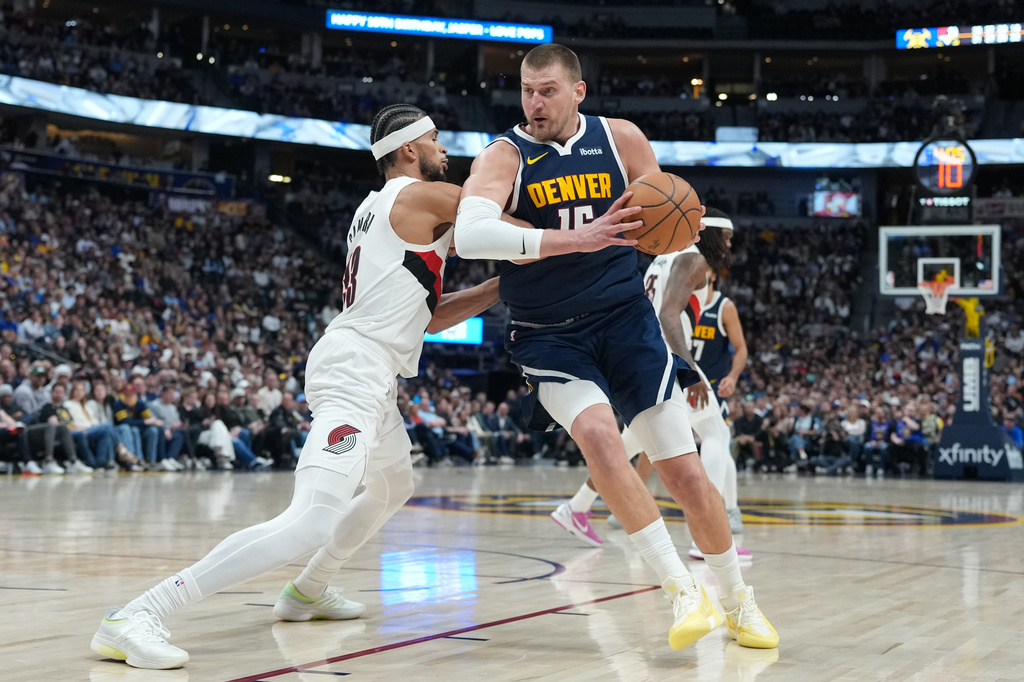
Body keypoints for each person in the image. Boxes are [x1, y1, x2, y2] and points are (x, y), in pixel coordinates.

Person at [91, 103, 504, 669]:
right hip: (355, 369)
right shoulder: (418, 195)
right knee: (312, 518)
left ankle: (309, 589)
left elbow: (428, 317)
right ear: (409, 148)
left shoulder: (379, 209)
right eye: (435, 138)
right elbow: (492, 213)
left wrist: (498, 288)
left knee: (393, 485)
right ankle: (139, 613)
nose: (444, 148)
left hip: (370, 368)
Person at [454, 44, 777, 650]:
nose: (534, 102)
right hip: (549, 333)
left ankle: (738, 601)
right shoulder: (505, 155)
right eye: (526, 90)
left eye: (547, 90)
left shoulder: (621, 138)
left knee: (685, 472)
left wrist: (677, 224)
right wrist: (574, 238)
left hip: (626, 321)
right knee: (601, 437)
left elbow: (662, 219)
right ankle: (681, 589)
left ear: (578, 91)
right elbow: (470, 236)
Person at [557, 209, 752, 561]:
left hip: (643, 354)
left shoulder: (664, 257)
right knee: (716, 433)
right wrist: (690, 369)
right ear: (711, 235)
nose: (729, 246)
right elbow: (668, 313)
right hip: (665, 356)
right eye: (726, 238)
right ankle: (708, 539)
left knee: (632, 442)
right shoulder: (693, 259)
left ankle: (577, 506)